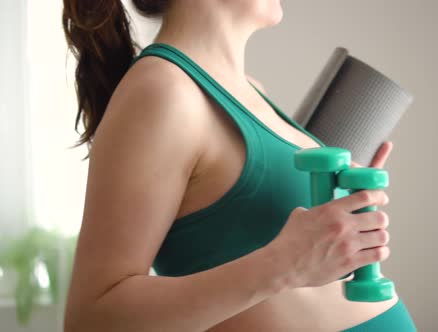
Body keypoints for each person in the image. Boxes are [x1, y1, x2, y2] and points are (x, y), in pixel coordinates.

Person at [61, 0, 416, 331]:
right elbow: (91, 319)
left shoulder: (248, 89)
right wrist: (282, 264)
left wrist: (343, 205)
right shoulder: (162, 90)